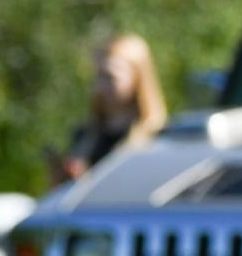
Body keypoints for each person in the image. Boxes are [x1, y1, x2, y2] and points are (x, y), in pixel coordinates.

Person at [54, 32, 168, 184]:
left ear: (138, 78)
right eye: (98, 76)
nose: (100, 87)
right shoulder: (85, 136)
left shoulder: (160, 136)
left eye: (110, 77)